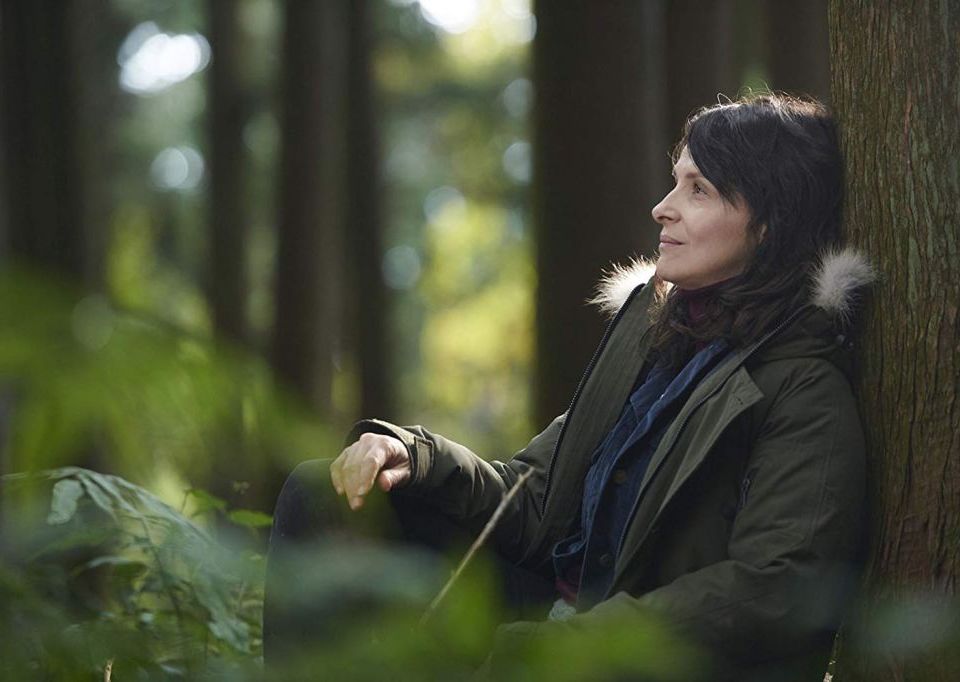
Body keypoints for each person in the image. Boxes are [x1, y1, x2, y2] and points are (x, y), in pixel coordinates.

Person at [264, 92, 874, 681]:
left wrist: (566, 646)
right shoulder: (659, 344)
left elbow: (775, 588)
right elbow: (533, 501)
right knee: (320, 493)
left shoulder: (802, 387)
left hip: (629, 654)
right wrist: (413, 455)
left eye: (699, 190)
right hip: (554, 619)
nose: (664, 207)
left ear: (767, 225)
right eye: (676, 181)